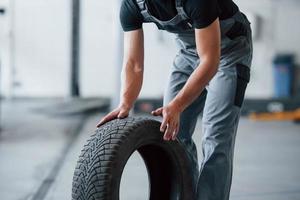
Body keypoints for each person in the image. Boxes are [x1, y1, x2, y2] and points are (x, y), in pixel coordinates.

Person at [97, 0, 253, 199]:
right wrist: (126, 102)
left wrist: (178, 104)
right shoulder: (132, 5)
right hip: (189, 54)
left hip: (229, 53)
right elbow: (134, 64)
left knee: (216, 138)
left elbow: (210, 62)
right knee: (174, 133)